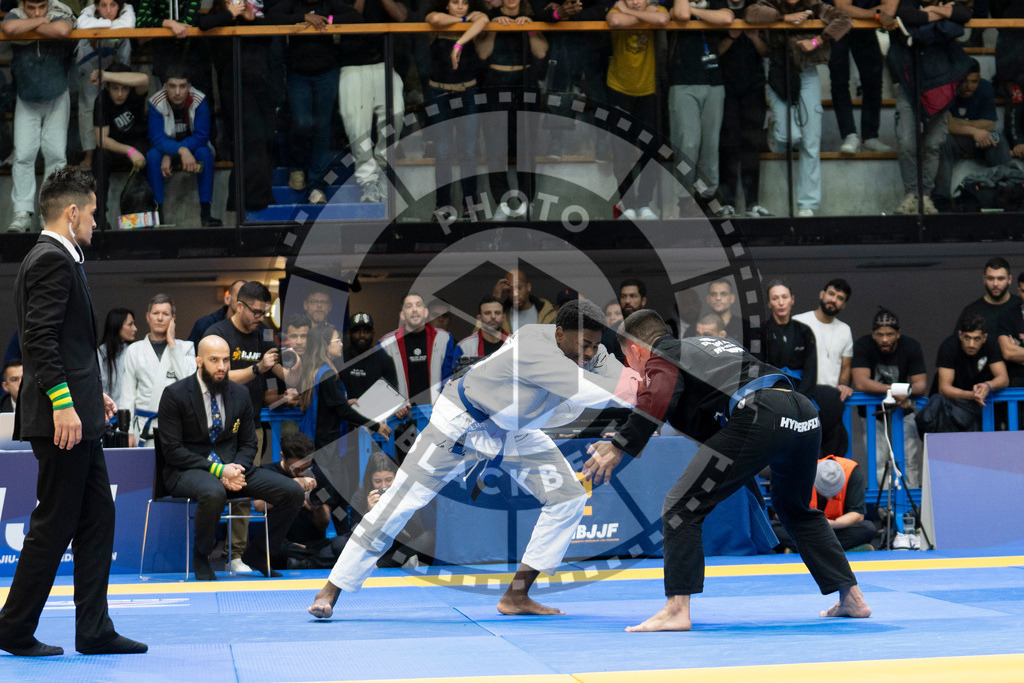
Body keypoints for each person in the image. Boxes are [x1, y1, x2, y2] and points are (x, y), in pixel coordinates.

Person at [307, 299, 637, 619]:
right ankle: (332, 588)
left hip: (512, 430)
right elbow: (593, 390)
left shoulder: (581, 349)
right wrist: (650, 390)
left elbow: (619, 375)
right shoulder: (538, 349)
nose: (590, 353)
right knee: (400, 502)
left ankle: (517, 595)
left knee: (568, 497)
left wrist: (650, 381)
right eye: (585, 345)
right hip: (461, 423)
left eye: (595, 346)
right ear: (560, 333)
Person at [581, 309, 870, 632]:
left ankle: (677, 609)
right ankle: (852, 597)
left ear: (635, 349)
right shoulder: (703, 349)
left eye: (627, 358)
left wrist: (620, 445)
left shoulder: (664, 354)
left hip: (761, 414)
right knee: (797, 510)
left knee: (680, 507)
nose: (630, 367)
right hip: (801, 411)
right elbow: (712, 428)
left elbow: (660, 395)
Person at [0, 168, 147, 657]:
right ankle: (13, 628)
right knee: (55, 522)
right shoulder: (51, 260)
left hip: (77, 415)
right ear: (72, 212)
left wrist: (90, 397)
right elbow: (37, 340)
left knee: (96, 518)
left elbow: (68, 344)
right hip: (61, 420)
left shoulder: (59, 258)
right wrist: (65, 404)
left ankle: (94, 629)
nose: (96, 222)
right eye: (93, 212)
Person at [158, 335, 305, 580]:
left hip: (234, 469)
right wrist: (219, 471)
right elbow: (173, 451)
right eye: (214, 360)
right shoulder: (175, 394)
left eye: (226, 360)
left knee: (293, 492)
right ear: (199, 362)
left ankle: (258, 553)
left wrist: (235, 468)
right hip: (187, 470)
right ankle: (202, 557)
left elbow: (249, 443)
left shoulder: (240, 393)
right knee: (214, 491)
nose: (222, 367)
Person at [206, 281, 301, 570]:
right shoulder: (218, 335)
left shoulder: (264, 336)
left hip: (249, 428)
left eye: (265, 312)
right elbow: (215, 377)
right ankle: (206, 552)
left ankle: (238, 555)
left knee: (245, 488)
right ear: (239, 305)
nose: (261, 317)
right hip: (216, 429)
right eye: (257, 312)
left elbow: (287, 376)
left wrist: (293, 370)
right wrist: (256, 368)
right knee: (212, 490)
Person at [746, 0, 851, 217]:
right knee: (788, 136)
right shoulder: (769, 3)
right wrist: (782, 18)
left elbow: (844, 19)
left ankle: (808, 204)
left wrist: (817, 40)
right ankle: (777, 129)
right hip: (778, 73)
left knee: (810, 141)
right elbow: (751, 13)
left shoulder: (813, 4)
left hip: (807, 72)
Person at [267, 0, 359, 204]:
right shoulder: (292, 4)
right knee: (302, 122)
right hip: (298, 74)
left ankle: (317, 186)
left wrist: (327, 20)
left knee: (322, 127)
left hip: (327, 73)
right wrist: (304, 18)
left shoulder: (330, 3)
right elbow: (271, 16)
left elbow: (354, 16)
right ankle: (297, 165)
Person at [888, 0, 972, 215]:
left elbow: (963, 16)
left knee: (933, 144)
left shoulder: (948, 2)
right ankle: (910, 195)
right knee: (906, 141)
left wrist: (932, 11)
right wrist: (944, 14)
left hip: (939, 87)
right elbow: (910, 17)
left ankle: (925, 196)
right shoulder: (907, 3)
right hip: (910, 85)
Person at [2, 0, 74, 234]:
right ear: (22, 3)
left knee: (55, 155)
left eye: (42, 7)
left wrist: (29, 26)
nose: (36, 11)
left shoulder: (60, 10)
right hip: (27, 94)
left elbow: (63, 30)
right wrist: (43, 23)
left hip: (57, 93)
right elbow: (9, 29)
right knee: (23, 155)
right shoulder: (14, 13)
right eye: (31, 8)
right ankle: (22, 213)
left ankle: (51, 215)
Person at [477, 0, 547, 221]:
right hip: (495, 83)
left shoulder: (532, 18)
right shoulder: (489, 19)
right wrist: (494, 28)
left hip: (524, 83)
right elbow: (482, 53)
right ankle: (502, 204)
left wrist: (530, 28)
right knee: (495, 147)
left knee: (527, 146)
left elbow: (542, 52)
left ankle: (527, 202)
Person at [337, 0, 408, 203]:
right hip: (351, 64)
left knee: (396, 114)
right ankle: (368, 180)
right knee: (356, 125)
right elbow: (352, 18)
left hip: (383, 62)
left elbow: (402, 15)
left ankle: (383, 168)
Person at [666, 0, 734, 210]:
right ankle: (684, 198)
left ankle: (707, 197)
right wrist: (703, 13)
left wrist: (699, 11)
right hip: (683, 80)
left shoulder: (713, 1)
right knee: (687, 143)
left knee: (710, 145)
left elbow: (727, 18)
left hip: (713, 80)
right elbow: (682, 14)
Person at [605, 0, 669, 220]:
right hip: (619, 88)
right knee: (621, 149)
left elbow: (662, 19)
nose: (634, 1)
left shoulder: (656, 9)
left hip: (648, 91)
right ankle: (629, 204)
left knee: (651, 148)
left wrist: (628, 12)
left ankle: (644, 203)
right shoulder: (616, 9)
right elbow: (614, 20)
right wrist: (640, 14)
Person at [851, 308, 927, 486]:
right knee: (878, 459)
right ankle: (886, 510)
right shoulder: (863, 345)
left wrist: (906, 392)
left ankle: (910, 507)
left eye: (890, 334)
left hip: (903, 409)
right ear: (873, 334)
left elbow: (921, 384)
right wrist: (893, 390)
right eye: (879, 334)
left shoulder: (911, 346)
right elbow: (861, 382)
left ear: (898, 333)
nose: (884, 339)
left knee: (909, 458)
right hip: (873, 413)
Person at [146, 63, 221, 227]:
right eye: (172, 86)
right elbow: (157, 138)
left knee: (205, 153)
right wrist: (179, 150)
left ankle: (206, 214)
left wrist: (183, 150)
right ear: (165, 86)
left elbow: (201, 136)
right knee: (152, 156)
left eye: (182, 86)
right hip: (169, 149)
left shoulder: (199, 99)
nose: (177, 92)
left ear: (189, 86)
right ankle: (158, 214)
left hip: (193, 150)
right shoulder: (155, 102)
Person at [297, 324, 391, 452]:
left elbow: (323, 403)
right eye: (337, 340)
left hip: (317, 440)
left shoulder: (317, 370)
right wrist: (376, 426)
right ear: (325, 345)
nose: (341, 344)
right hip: (325, 445)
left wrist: (342, 401)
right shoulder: (328, 374)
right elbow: (344, 412)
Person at [717, 0, 772, 218]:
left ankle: (752, 204)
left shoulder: (755, 7)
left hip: (754, 86)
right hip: (725, 86)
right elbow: (713, 52)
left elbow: (768, 52)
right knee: (727, 144)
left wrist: (754, 37)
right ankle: (727, 202)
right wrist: (731, 36)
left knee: (752, 144)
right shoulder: (719, 8)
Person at [934, 60, 1013, 210]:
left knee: (999, 139)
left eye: (974, 81)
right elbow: (946, 125)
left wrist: (959, 123)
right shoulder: (947, 88)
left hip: (979, 139)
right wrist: (974, 131)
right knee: (941, 141)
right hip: (956, 139)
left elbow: (990, 124)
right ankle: (941, 198)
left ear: (979, 78)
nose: (969, 86)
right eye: (964, 81)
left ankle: (1009, 190)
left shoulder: (985, 87)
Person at [120, 294, 196, 447]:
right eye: (155, 313)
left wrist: (173, 345)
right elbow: (128, 394)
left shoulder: (186, 347)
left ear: (173, 318)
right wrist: (126, 431)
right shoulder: (134, 350)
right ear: (148, 317)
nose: (160, 318)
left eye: (165, 314)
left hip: (177, 426)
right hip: (143, 427)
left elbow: (190, 383)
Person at [918, 313, 1008, 433]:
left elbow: (1003, 378)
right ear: (960, 335)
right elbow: (944, 388)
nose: (971, 344)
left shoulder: (991, 345)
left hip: (979, 406)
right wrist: (972, 395)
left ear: (984, 338)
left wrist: (988, 386)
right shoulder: (948, 347)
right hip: (949, 407)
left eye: (976, 339)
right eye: (967, 338)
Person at [75, 0, 136, 174]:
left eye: (113, 5)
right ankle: (89, 156)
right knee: (88, 107)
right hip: (88, 63)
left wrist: (102, 26)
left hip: (114, 62)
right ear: (96, 6)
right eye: (103, 5)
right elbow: (82, 25)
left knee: (115, 104)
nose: (108, 10)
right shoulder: (89, 10)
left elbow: (129, 25)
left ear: (120, 5)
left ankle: (116, 149)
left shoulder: (128, 9)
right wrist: (113, 25)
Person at [90, 62, 151, 229]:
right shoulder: (101, 101)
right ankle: (99, 219)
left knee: (150, 155)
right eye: (115, 88)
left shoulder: (135, 94)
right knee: (99, 157)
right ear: (107, 88)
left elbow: (144, 79)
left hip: (138, 143)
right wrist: (128, 151)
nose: (120, 94)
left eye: (124, 89)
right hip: (117, 148)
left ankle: (140, 221)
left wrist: (106, 76)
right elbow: (102, 139)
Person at [774, 456, 877, 552]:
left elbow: (858, 515)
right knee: (772, 528)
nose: (829, 498)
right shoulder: (802, 473)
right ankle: (831, 549)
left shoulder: (853, 472)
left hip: (837, 529)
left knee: (868, 528)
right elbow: (780, 515)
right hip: (808, 530)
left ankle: (807, 549)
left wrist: (832, 523)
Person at [830, 0, 892, 156]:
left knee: (873, 80)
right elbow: (842, 7)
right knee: (839, 80)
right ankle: (849, 135)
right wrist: (876, 14)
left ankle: (870, 136)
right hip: (838, 23)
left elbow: (890, 9)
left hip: (866, 26)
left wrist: (875, 14)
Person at [378, 293, 459, 404]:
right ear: (402, 315)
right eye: (409, 306)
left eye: (419, 305)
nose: (414, 310)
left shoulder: (444, 338)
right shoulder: (385, 344)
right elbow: (381, 383)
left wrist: (443, 400)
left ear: (425, 312)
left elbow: (449, 376)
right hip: (400, 414)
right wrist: (394, 403)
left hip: (436, 412)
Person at [794, 279, 855, 400]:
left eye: (840, 298)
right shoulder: (799, 322)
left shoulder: (845, 330)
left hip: (831, 396)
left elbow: (846, 367)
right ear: (822, 294)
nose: (833, 300)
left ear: (843, 305)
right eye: (831, 294)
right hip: (801, 394)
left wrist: (843, 385)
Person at [764, 280, 817, 394]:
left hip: (800, 390)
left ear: (792, 300)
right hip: (770, 391)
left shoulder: (804, 331)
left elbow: (811, 370)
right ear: (769, 303)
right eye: (775, 298)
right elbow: (757, 367)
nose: (781, 302)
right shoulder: (759, 332)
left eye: (785, 297)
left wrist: (800, 397)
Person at [954, 258, 1021, 341]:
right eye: (990, 278)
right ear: (984, 279)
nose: (995, 284)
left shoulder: (1021, 305)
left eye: (1000, 279)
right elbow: (956, 346)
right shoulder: (971, 311)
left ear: (1009, 279)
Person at [341, 312, 400, 399]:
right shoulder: (339, 360)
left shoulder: (384, 359)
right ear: (349, 333)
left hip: (376, 411)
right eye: (357, 331)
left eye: (367, 331)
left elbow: (392, 394)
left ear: (373, 333)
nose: (362, 335)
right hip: (345, 411)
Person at [97, 307, 138, 406]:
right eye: (130, 324)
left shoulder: (133, 351)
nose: (135, 329)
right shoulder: (100, 354)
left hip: (129, 413)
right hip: (107, 414)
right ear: (117, 326)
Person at [493, 268, 557, 332]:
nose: (514, 294)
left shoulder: (547, 313)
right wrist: (496, 297)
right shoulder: (502, 316)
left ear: (528, 287)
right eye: (510, 290)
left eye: (519, 288)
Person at [188, 279, 245, 345]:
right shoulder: (205, 325)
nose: (245, 302)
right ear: (227, 299)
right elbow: (191, 353)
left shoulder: (255, 326)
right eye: (240, 297)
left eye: (249, 299)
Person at [997, 271, 1024, 386]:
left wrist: (1018, 351)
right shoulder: (1008, 315)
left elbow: (1013, 352)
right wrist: (1013, 351)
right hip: (1018, 383)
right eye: (1023, 291)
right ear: (1018, 291)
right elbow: (1008, 352)